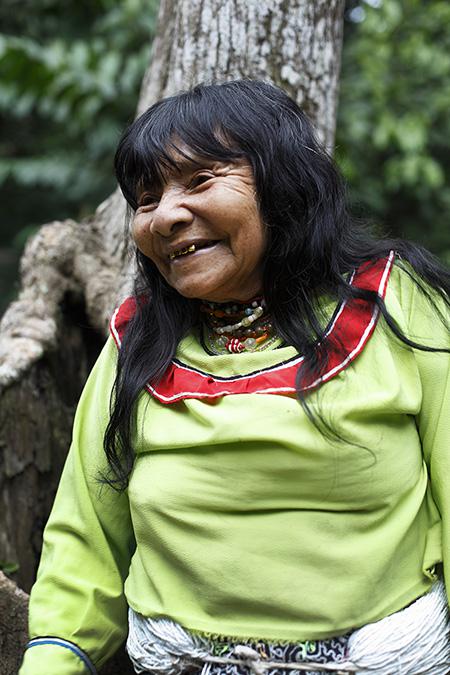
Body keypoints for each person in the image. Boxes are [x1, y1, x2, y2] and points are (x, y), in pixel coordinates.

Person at [19, 80, 450, 675]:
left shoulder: (396, 306)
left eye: (200, 180)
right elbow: (85, 535)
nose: (166, 216)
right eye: (146, 199)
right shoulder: (137, 342)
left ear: (282, 188)